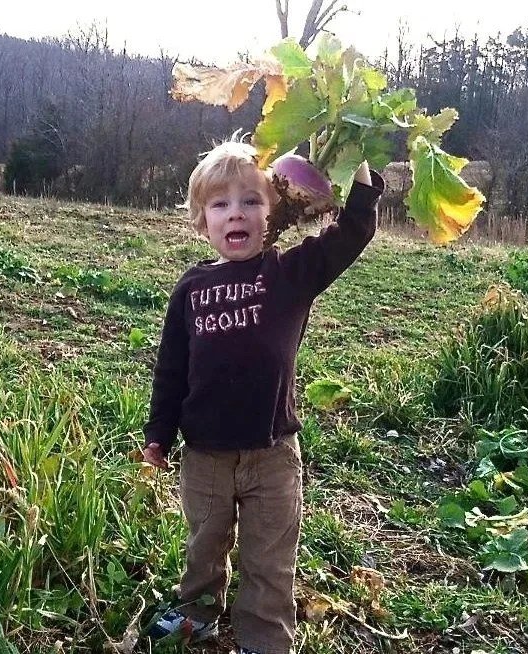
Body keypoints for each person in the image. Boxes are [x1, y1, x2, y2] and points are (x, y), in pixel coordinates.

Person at [142, 137, 384, 654]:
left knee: (269, 557)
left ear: (276, 211)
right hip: (204, 455)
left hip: (272, 454)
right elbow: (171, 368)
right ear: (201, 221)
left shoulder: (288, 274)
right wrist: (158, 434)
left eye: (251, 201)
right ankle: (198, 612)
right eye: (221, 204)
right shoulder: (190, 289)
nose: (237, 214)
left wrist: (359, 172)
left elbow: (352, 233)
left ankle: (265, 639)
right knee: (204, 544)